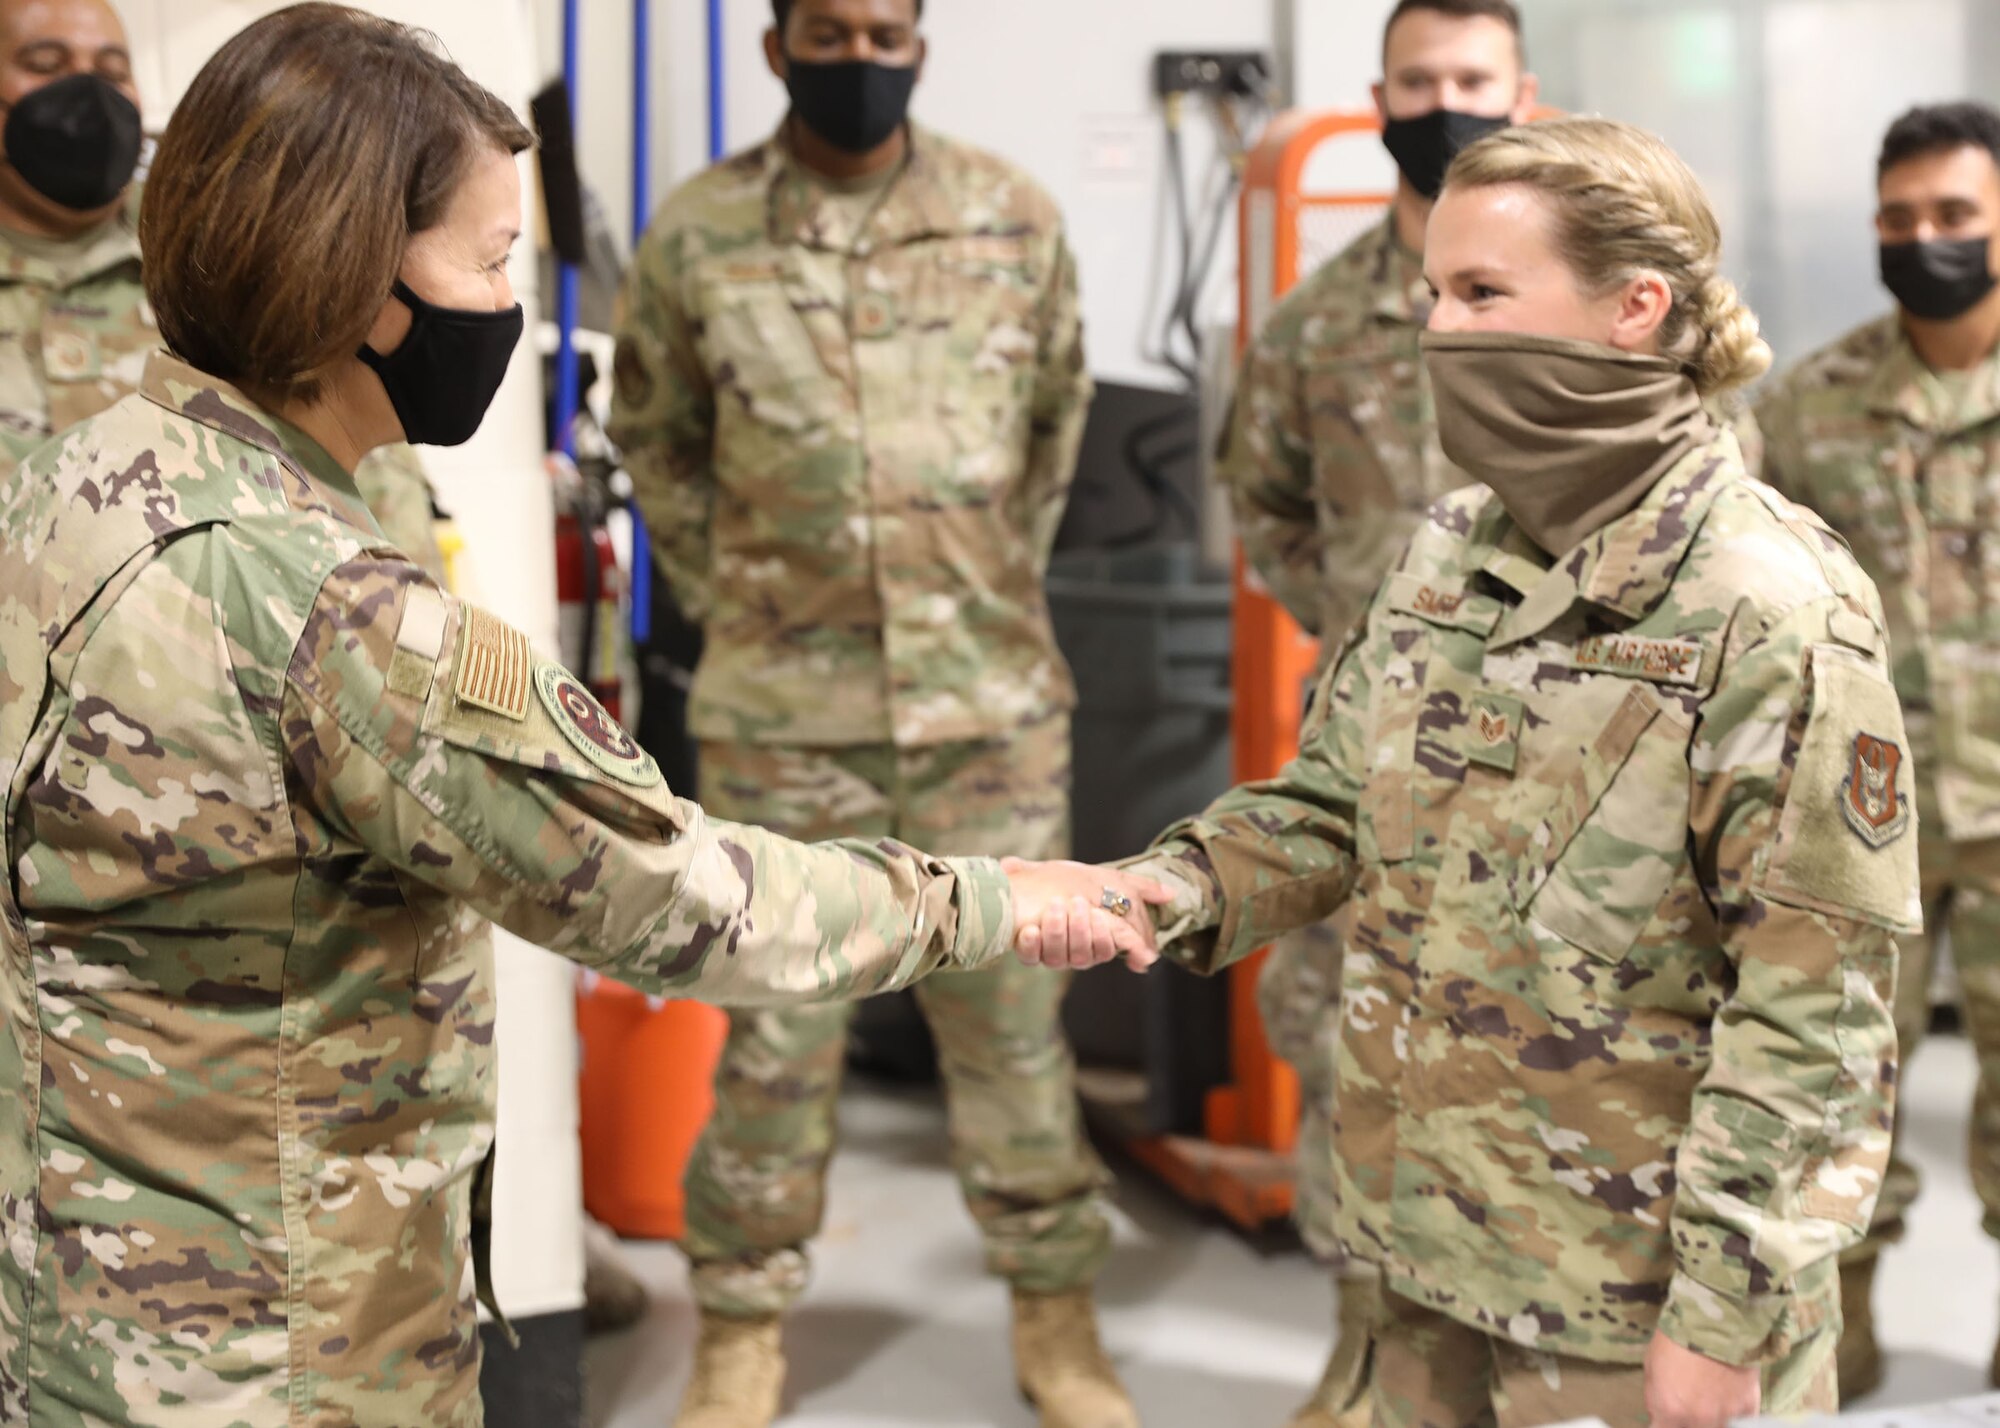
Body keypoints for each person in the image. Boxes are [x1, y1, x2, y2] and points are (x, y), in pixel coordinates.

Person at [0, 8, 1162, 1426]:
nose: (511, 305)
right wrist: (996, 901)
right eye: (491, 262)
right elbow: (683, 902)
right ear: (364, 284)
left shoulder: (87, 477)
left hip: (81, 1303)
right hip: (286, 1349)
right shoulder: (337, 618)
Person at [1021, 117, 1916, 1426]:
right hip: (1420, 1257)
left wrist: (1725, 1322)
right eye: (1432, 293)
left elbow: (1814, 1016)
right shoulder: (1447, 553)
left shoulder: (1769, 609)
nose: (1439, 329)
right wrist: (1167, 890)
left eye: (1482, 293)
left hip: (1628, 1309)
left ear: (1635, 309)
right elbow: (1333, 803)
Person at [608, 3, 1128, 1424]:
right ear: (776, 49)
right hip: (788, 709)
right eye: (828, 30)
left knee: (1017, 1031)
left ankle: (1057, 1320)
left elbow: (1055, 417)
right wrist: (747, 591)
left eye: (885, 29)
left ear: (921, 42)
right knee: (775, 1033)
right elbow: (654, 431)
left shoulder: (1008, 216)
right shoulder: (701, 230)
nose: (860, 56)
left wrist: (980, 587)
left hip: (990, 708)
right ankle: (739, 1326)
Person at [1218, 5, 1535, 1420]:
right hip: (1385, 757)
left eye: (1473, 80)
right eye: (1421, 82)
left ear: (1522, 93)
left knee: (1562, 1055)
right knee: (1356, 1044)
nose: (1447, 103)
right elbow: (1267, 506)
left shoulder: (1595, 296)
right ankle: (1369, 1359)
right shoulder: (1315, 324)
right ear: (1380, 96)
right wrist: (1367, 628)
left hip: (1573, 764)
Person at [1757, 100, 2000, 1398]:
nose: (1926, 239)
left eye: (1955, 216)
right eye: (1901, 218)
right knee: (1839, 1093)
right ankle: (1831, 1341)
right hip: (1866, 821)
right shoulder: (1811, 406)